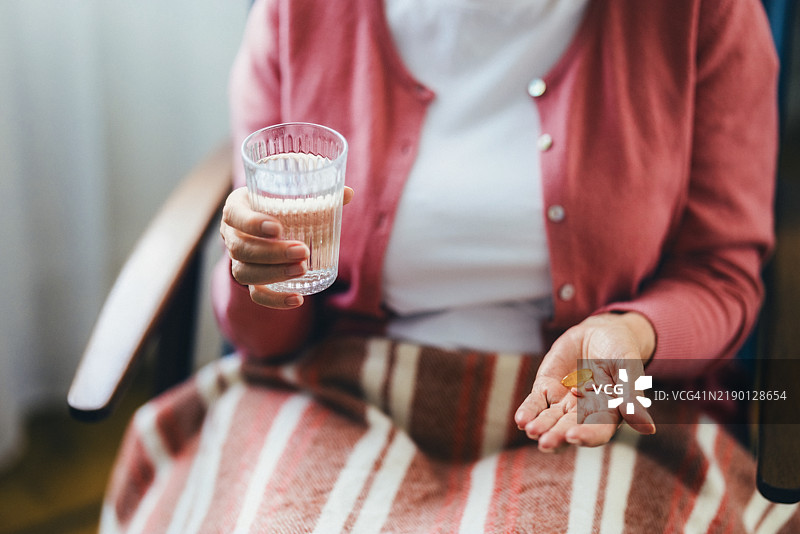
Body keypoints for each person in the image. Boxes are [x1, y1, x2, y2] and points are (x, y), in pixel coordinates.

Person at [101, 0, 800, 532]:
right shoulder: (299, 14)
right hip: (339, 383)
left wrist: (632, 339)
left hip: (598, 403)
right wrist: (258, 274)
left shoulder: (701, 14)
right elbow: (266, 340)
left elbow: (721, 273)